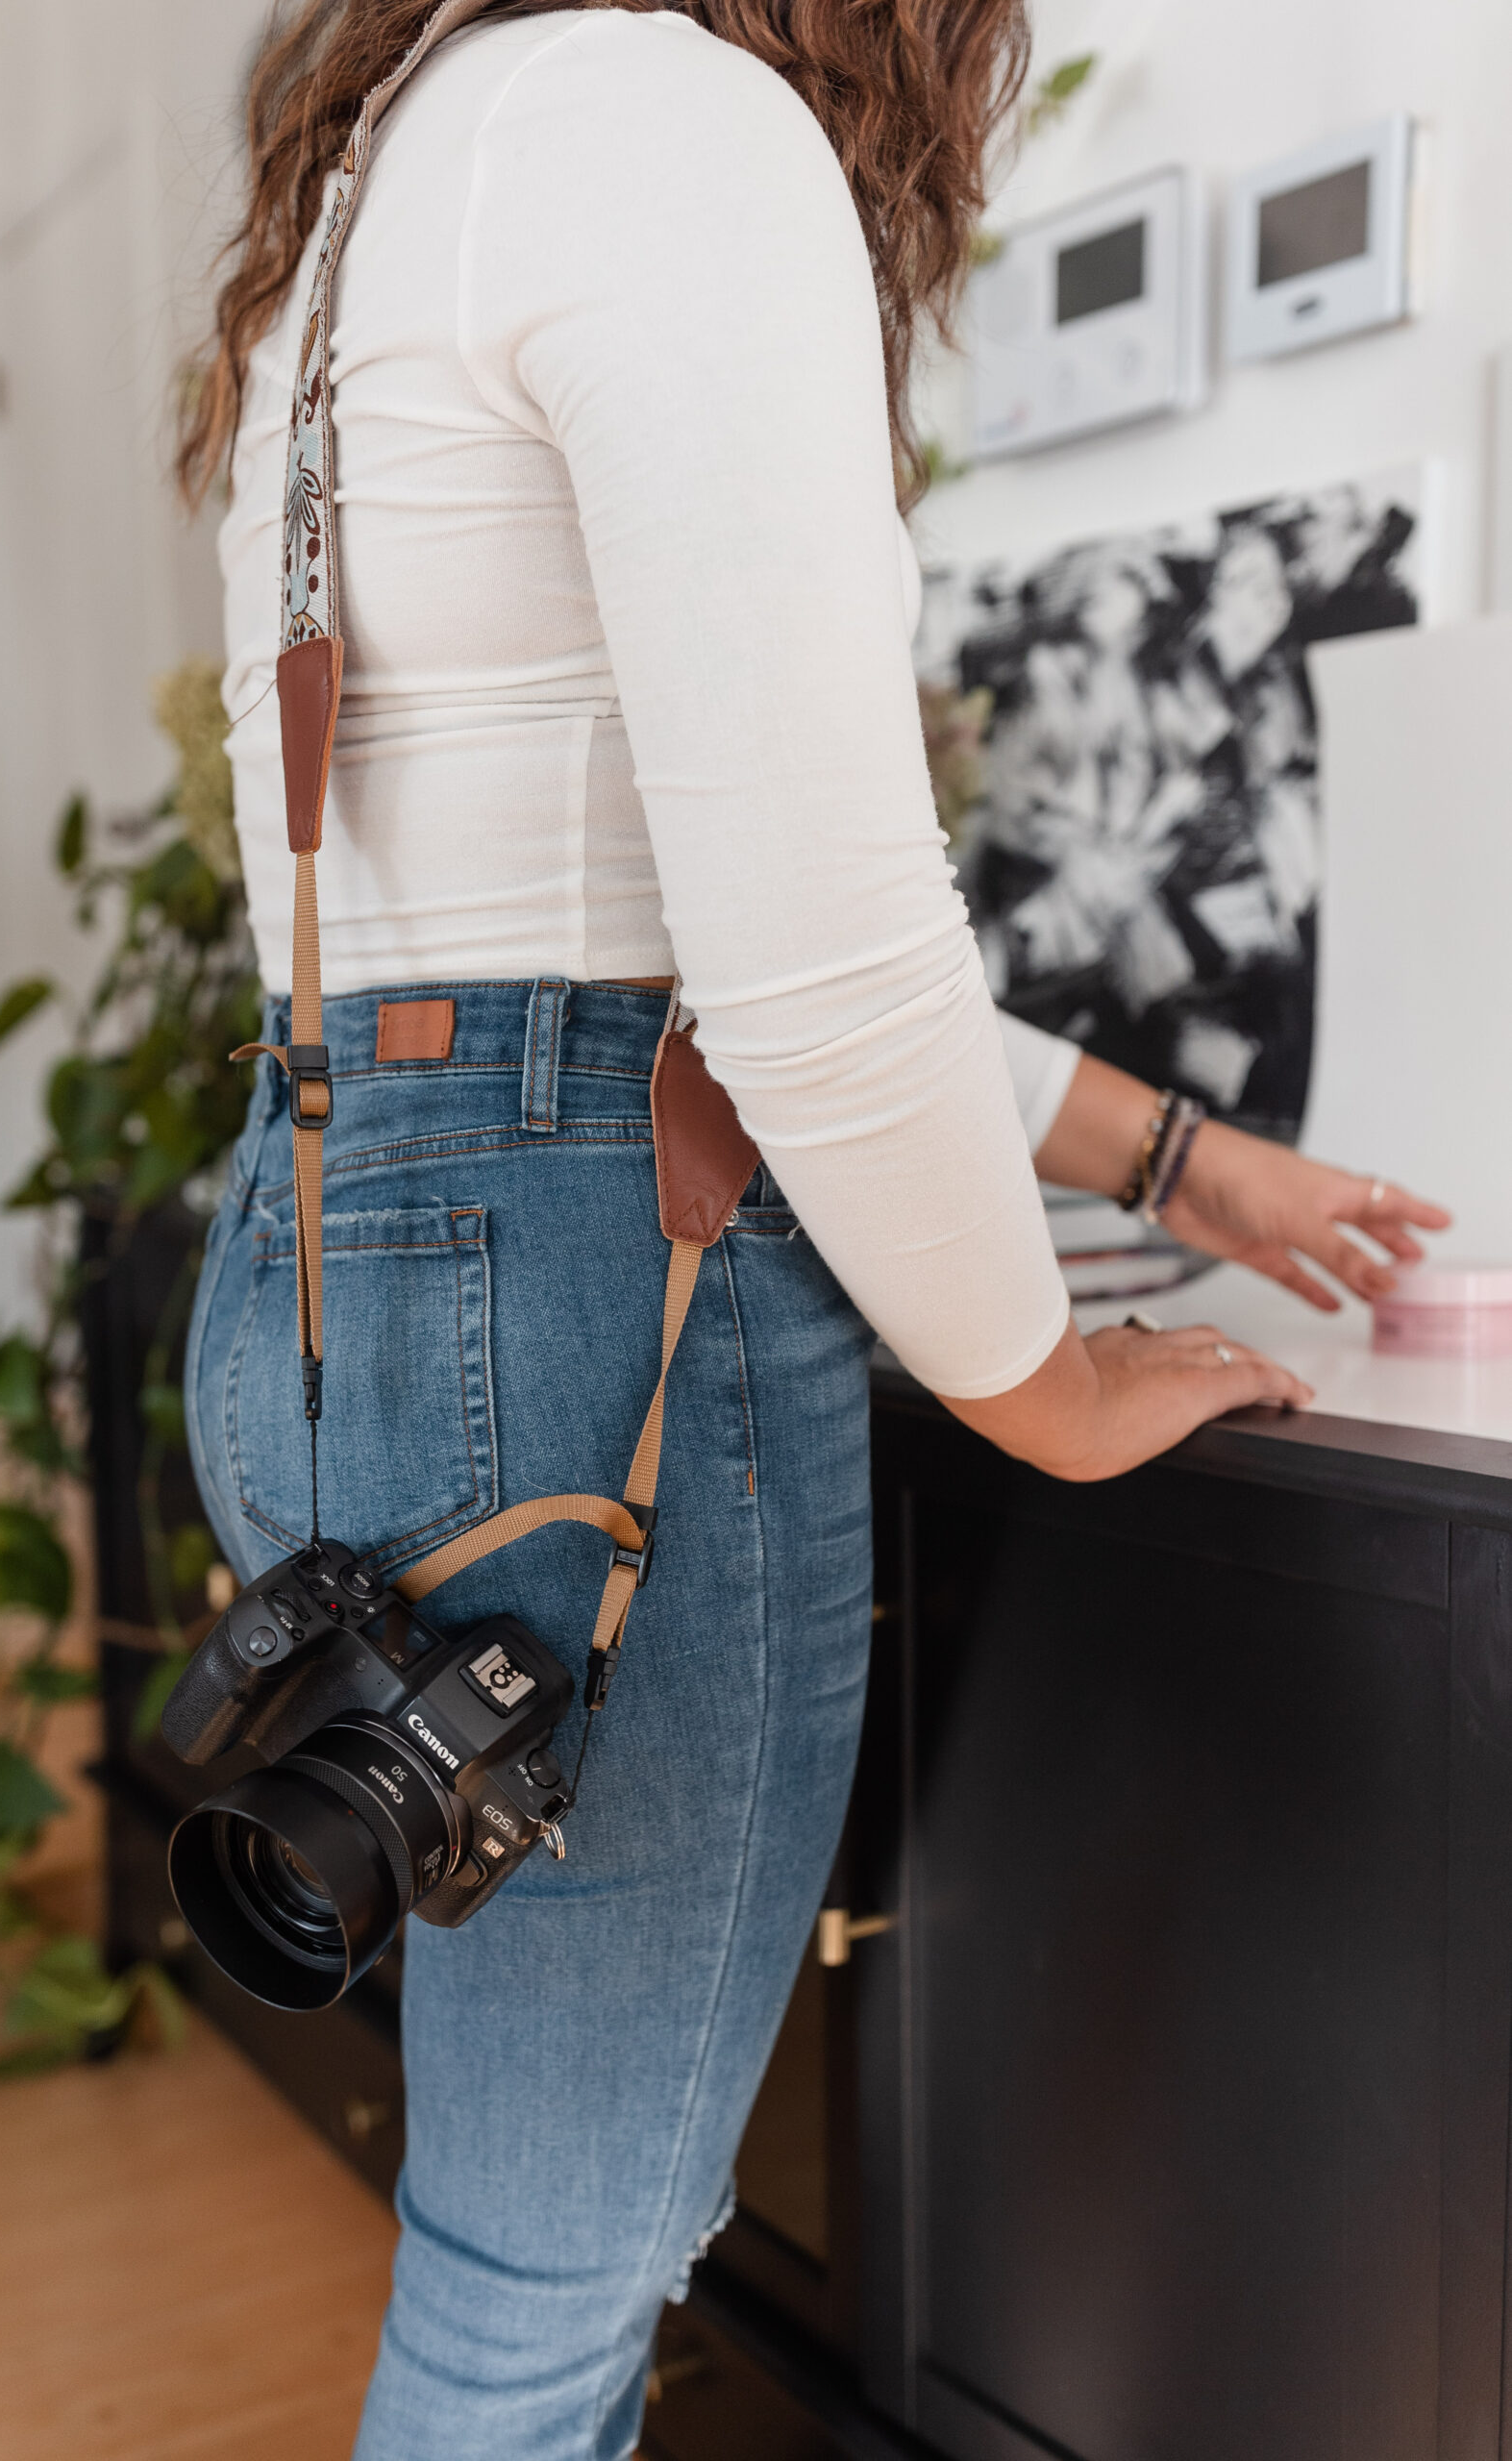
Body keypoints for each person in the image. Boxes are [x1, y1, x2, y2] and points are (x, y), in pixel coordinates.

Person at [175, 6, 1448, 2454]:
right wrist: (1047, 1382)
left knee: (514, 2227)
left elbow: (589, 947)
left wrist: (1173, 1165)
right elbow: (802, 962)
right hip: (588, 1303)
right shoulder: (669, 116)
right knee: (542, 2289)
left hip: (345, 1239)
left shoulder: (402, 165)